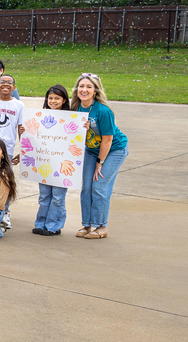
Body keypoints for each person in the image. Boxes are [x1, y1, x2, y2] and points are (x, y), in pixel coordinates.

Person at [70, 73, 128, 240]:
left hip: (114, 149)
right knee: (87, 187)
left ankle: (101, 226)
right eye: (81, 86)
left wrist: (100, 163)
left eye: (89, 87)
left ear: (95, 91)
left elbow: (107, 139)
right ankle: (87, 224)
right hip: (92, 149)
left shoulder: (103, 111)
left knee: (99, 186)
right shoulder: (76, 108)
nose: (84, 90)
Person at [34, 85, 72, 236]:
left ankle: (53, 226)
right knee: (44, 195)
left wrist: (84, 127)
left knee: (57, 197)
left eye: (57, 98)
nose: (53, 101)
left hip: (62, 165)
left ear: (64, 100)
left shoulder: (71, 118)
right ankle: (40, 223)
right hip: (45, 162)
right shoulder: (40, 117)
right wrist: (26, 131)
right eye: (50, 98)